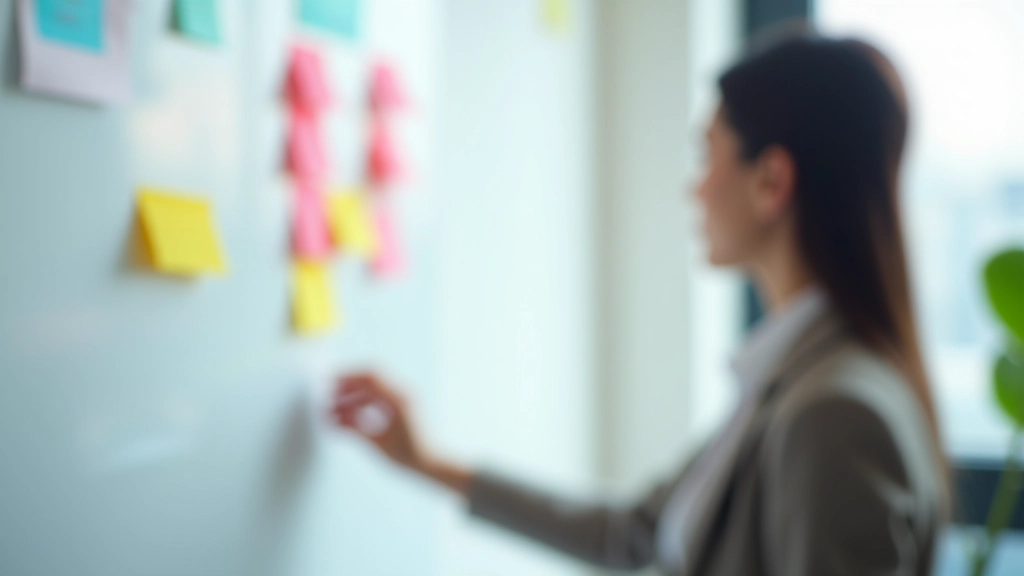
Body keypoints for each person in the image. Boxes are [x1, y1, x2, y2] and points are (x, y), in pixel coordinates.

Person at [329, 26, 949, 576]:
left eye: (707, 154)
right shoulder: (795, 380)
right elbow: (635, 533)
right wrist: (428, 463)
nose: (695, 187)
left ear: (771, 182)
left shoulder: (833, 410)